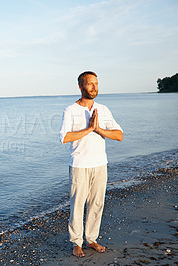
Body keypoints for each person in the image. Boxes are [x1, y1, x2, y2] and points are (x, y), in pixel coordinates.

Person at [59, 71, 123, 258]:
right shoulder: (70, 110)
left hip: (100, 164)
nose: (94, 87)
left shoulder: (103, 109)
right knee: (77, 205)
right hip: (79, 165)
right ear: (80, 86)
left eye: (96, 83)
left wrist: (99, 129)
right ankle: (76, 242)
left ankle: (91, 239)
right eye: (90, 84)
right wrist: (88, 129)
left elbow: (119, 135)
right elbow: (64, 137)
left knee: (97, 203)